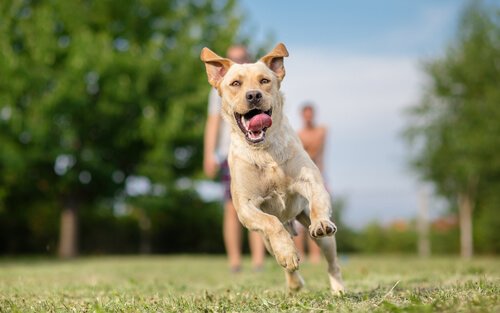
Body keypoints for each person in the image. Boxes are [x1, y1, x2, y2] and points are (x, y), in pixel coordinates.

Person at [203, 45, 265, 272]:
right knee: (232, 208)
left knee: (257, 205)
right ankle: (235, 262)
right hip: (229, 154)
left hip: (255, 150)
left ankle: (258, 261)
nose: (238, 61)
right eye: (234, 58)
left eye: (242, 58)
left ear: (249, 59)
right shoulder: (219, 87)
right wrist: (208, 155)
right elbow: (213, 123)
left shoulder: (258, 85)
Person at [293, 103, 327, 264]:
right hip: (301, 176)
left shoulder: (322, 131)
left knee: (317, 215)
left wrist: (323, 180)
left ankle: (316, 255)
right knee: (299, 219)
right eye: (306, 114)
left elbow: (317, 154)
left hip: (318, 175)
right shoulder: (298, 134)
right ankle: (301, 253)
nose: (308, 118)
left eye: (310, 114)